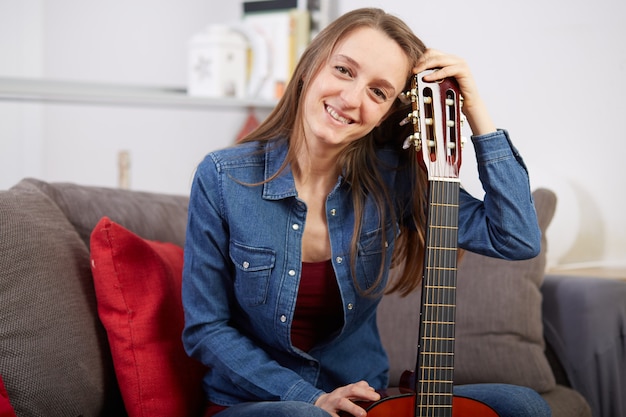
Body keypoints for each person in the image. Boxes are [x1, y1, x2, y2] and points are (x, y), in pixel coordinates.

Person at [182, 7, 551, 417]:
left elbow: (516, 238)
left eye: (378, 92)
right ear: (310, 66)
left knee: (523, 405)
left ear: (389, 113)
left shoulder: (393, 177)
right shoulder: (222, 177)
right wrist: (312, 399)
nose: (351, 99)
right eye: (343, 70)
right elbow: (206, 329)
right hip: (257, 402)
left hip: (361, 402)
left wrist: (475, 112)